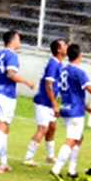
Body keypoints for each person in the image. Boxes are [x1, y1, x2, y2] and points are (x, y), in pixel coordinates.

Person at [48, 44, 91, 181]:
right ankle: (55, 170)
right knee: (71, 140)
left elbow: (73, 92)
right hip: (75, 112)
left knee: (78, 138)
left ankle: (72, 171)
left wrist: (86, 107)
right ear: (79, 55)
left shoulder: (64, 70)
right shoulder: (78, 72)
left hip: (66, 108)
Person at [0, 30, 35, 173]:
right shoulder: (12, 56)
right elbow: (11, 74)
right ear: (12, 41)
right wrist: (27, 81)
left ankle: (3, 161)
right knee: (2, 126)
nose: (19, 41)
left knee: (5, 126)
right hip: (6, 95)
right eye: (18, 39)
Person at [23, 39, 66, 167]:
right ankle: (28, 157)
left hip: (49, 102)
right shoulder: (53, 64)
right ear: (59, 50)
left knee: (52, 128)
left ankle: (50, 156)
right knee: (43, 129)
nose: (66, 47)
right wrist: (54, 104)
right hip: (43, 101)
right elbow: (48, 85)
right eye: (64, 45)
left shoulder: (59, 64)